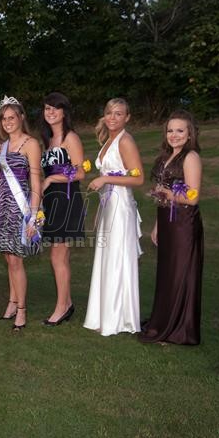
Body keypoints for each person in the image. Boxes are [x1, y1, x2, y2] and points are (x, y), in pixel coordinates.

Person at [139, 110, 204, 345]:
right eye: (170, 130)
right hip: (166, 220)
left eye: (180, 130)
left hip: (183, 223)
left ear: (189, 134)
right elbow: (162, 196)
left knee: (180, 273)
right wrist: (157, 225)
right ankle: (164, 319)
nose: (174, 135)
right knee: (167, 273)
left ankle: (179, 329)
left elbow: (193, 197)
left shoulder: (191, 157)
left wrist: (168, 193)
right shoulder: (165, 156)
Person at [84, 98, 144, 336]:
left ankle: (119, 319)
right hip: (109, 205)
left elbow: (139, 179)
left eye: (119, 114)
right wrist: (100, 208)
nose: (112, 117)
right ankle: (104, 315)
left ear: (127, 117)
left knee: (118, 259)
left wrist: (105, 178)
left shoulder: (125, 141)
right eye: (109, 112)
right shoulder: (109, 139)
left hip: (120, 207)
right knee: (107, 258)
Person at [0, 96, 42, 331]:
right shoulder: (2, 147)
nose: (7, 122)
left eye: (12, 117)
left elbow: (36, 183)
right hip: (1, 206)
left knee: (16, 259)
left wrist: (33, 217)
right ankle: (12, 302)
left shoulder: (31, 144)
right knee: (8, 258)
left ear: (21, 117)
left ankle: (22, 310)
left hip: (20, 208)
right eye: (3, 118)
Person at [39, 92, 87, 326]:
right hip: (52, 202)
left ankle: (61, 308)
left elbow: (80, 172)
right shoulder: (48, 140)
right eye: (47, 108)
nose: (50, 112)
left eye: (55, 108)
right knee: (60, 257)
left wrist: (50, 179)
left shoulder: (71, 138)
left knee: (57, 256)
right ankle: (66, 303)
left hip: (67, 200)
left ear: (64, 112)